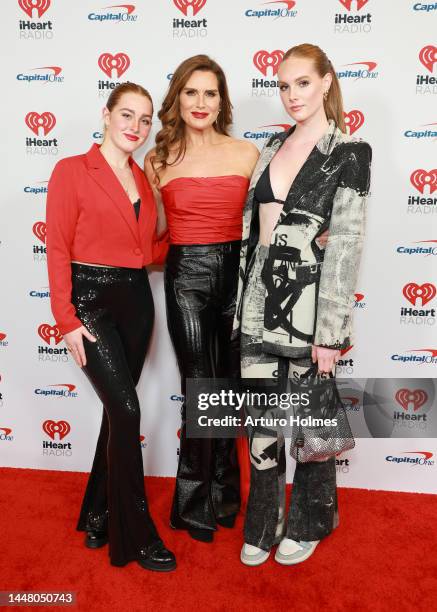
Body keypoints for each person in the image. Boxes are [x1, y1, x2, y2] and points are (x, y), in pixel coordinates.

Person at [232, 43, 372, 566]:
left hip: (310, 310)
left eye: (303, 83)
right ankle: (263, 522)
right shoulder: (270, 147)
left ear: (327, 82)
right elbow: (254, 235)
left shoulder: (350, 152)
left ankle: (313, 518)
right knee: (262, 423)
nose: (292, 95)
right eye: (284, 85)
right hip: (255, 304)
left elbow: (346, 249)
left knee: (313, 423)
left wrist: (331, 334)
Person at [45, 82, 176, 572]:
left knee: (115, 414)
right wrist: (67, 320)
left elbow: (147, 252)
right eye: (127, 114)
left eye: (144, 120)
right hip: (90, 303)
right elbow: (58, 248)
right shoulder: (71, 171)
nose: (135, 127)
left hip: (136, 304)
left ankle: (98, 512)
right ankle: (137, 533)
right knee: (126, 410)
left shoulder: (144, 180)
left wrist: (207, 236)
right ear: (105, 113)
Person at [144, 55, 259, 543]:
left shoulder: (248, 153)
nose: (200, 102)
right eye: (191, 92)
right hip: (186, 276)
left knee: (229, 387)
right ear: (178, 98)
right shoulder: (158, 159)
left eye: (210, 93)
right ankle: (191, 505)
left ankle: (226, 496)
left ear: (222, 101)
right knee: (200, 385)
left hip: (238, 276)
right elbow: (154, 235)